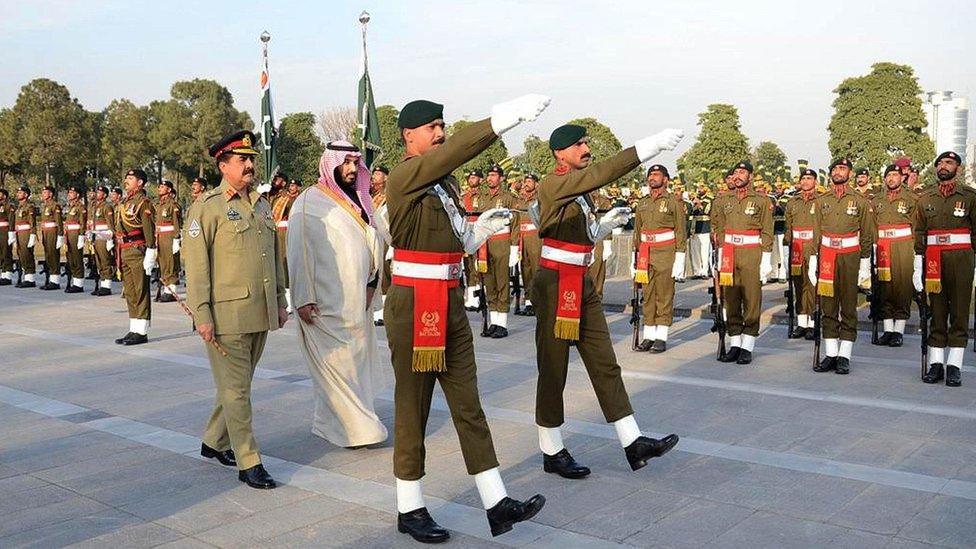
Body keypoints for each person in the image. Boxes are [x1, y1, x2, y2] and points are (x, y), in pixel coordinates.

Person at [385, 97, 549, 543]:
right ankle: (409, 507)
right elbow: (456, 152)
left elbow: (452, 239)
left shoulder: (444, 184)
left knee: (468, 405)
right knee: (412, 408)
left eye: (443, 126)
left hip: (451, 300)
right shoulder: (407, 175)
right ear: (409, 135)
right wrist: (500, 120)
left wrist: (478, 232)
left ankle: (496, 502)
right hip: (416, 303)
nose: (440, 133)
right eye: (433, 127)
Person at [534, 122, 682, 481]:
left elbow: (574, 231)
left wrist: (599, 228)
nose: (587, 148)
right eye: (579, 144)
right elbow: (603, 172)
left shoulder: (580, 190)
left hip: (580, 281)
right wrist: (647, 146)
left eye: (587, 142)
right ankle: (551, 448)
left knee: (605, 363)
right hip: (555, 283)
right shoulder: (554, 183)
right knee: (553, 370)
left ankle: (632, 440)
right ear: (560, 153)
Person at [184, 130, 288, 489]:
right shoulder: (207, 208)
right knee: (237, 390)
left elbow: (273, 257)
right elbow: (196, 267)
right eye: (241, 159)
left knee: (237, 385)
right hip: (226, 315)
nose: (249, 165)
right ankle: (249, 460)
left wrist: (279, 300)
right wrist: (203, 314)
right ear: (222, 164)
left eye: (251, 159)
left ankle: (214, 441)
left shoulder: (260, 203)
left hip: (259, 311)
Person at [288, 141, 388, 448]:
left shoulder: (360, 199)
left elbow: (375, 242)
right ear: (330, 164)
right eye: (344, 162)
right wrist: (302, 297)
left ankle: (328, 423)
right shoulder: (310, 202)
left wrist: (373, 283)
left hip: (358, 302)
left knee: (352, 367)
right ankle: (359, 430)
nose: (350, 169)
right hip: (325, 302)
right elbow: (298, 251)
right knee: (335, 367)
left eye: (355, 163)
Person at [808, 158, 874, 375]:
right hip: (826, 255)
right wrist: (812, 259)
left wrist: (865, 263)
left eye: (842, 168)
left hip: (849, 256)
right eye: (835, 168)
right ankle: (831, 353)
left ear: (850, 173)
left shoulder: (860, 201)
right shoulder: (821, 200)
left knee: (848, 306)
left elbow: (866, 234)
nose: (838, 172)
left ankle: (844, 355)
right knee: (828, 306)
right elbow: (815, 232)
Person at [916, 151, 974, 386]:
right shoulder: (926, 197)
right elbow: (919, 231)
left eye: (948, 163)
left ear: (958, 169)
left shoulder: (970, 197)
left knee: (959, 312)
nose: (943, 166)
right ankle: (936, 363)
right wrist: (917, 262)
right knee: (937, 312)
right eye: (940, 163)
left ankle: (954, 366)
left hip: (961, 259)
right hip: (933, 260)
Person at [712, 161, 774, 365]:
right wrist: (720, 251)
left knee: (751, 300)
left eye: (742, 172)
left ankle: (747, 345)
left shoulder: (761, 201)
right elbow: (718, 227)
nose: (738, 175)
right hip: (729, 252)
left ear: (751, 176)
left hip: (751, 253)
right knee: (730, 299)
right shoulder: (722, 200)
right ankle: (735, 344)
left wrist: (765, 258)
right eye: (736, 172)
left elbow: (766, 230)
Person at [632, 164, 687, 353]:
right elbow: (637, 231)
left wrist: (680, 256)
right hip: (646, 252)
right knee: (647, 295)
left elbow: (681, 230)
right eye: (650, 175)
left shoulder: (674, 202)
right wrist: (635, 255)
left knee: (663, 294)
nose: (652, 178)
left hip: (665, 251)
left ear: (665, 180)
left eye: (656, 175)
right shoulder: (643, 202)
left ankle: (661, 337)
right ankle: (648, 335)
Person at [871, 164, 920, 347]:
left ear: (902, 178)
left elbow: (916, 227)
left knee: (902, 287)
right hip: (883, 246)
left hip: (903, 246)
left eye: (895, 175)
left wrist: (916, 252)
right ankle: (887, 329)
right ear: (884, 179)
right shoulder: (877, 200)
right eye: (888, 175)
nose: (891, 178)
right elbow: (872, 226)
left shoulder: (912, 199)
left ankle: (898, 330)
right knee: (885, 287)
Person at [114, 169, 156, 345]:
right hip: (124, 249)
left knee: (140, 290)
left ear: (140, 183)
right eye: (126, 178)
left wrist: (151, 251)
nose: (126, 181)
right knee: (130, 292)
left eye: (130, 178)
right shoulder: (125, 201)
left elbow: (148, 229)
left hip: (137, 248)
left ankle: (142, 331)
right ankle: (134, 328)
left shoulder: (143, 202)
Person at [481, 163, 519, 337]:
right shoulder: (482, 198)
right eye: (488, 175)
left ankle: (502, 323)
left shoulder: (509, 198)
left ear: (501, 178)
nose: (490, 178)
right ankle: (494, 322)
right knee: (489, 282)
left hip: (502, 242)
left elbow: (516, 223)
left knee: (502, 282)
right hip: (485, 243)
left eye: (494, 175)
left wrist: (514, 247)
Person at [783, 169, 819, 339]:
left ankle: (813, 322)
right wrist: (786, 245)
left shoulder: (820, 200)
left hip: (813, 247)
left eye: (809, 178)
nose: (805, 181)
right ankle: (802, 322)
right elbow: (788, 226)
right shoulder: (793, 202)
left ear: (815, 182)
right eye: (803, 178)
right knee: (799, 285)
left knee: (813, 285)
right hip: (796, 248)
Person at [271, 174, 299, 313]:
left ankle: (289, 299)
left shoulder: (293, 199)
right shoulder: (278, 196)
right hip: (277, 230)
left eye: (294, 185)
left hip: (286, 230)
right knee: (279, 262)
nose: (291, 187)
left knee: (285, 262)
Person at [514, 174, 541, 316]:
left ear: (536, 184)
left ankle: (538, 301)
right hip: (522, 238)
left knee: (537, 269)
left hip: (535, 237)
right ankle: (529, 301)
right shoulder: (520, 198)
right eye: (525, 181)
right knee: (525, 270)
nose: (526, 184)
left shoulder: (540, 198)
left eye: (530, 181)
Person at [461, 169, 487, 310]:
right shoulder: (464, 196)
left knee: (480, 264)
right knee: (469, 265)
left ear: (481, 180)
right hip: (467, 231)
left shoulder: (484, 196)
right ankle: (471, 297)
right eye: (470, 178)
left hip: (480, 231)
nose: (471, 180)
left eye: (475, 177)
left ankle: (480, 295)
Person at [371, 167, 392, 326]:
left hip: (386, 236)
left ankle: (384, 312)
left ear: (386, 177)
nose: (374, 176)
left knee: (385, 272)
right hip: (373, 236)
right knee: (375, 271)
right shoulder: (373, 196)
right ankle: (377, 310)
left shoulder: (390, 195)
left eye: (378, 174)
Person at [155, 180, 182, 302]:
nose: (160, 188)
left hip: (169, 237)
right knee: (163, 263)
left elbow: (176, 224)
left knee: (170, 263)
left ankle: (171, 291)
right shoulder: (158, 205)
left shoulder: (173, 206)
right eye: (159, 186)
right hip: (160, 237)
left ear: (169, 190)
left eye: (163, 187)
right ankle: (166, 289)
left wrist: (176, 239)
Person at [88, 185, 115, 296]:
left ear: (104, 195)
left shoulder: (107, 207)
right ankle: (102, 283)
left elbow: (110, 224)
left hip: (103, 237)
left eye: (98, 193)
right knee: (98, 261)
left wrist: (110, 239)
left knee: (105, 261)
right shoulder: (94, 206)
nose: (96, 194)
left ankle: (106, 286)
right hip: (95, 237)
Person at [38, 185, 63, 290]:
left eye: (45, 192)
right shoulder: (45, 206)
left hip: (53, 232)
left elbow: (59, 222)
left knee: (53, 256)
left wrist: (60, 235)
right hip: (46, 233)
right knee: (48, 256)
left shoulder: (55, 206)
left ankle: (55, 281)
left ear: (51, 194)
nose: (43, 194)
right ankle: (50, 279)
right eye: (43, 193)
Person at [62, 185, 87, 293]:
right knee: (71, 258)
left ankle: (79, 284)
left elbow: (82, 223)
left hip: (76, 235)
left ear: (77, 195)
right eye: (69, 193)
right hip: (69, 235)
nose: (69, 194)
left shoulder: (80, 208)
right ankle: (75, 281)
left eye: (72, 193)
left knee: (77, 258)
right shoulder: (70, 207)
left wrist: (81, 236)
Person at [14, 186, 37, 288]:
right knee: (21, 255)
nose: (18, 194)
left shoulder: (29, 207)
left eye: (20, 193)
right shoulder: (19, 207)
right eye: (18, 193)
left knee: (27, 254)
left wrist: (32, 235)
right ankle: (26, 277)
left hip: (26, 233)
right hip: (19, 233)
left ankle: (30, 279)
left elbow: (32, 222)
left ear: (26, 195)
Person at [0, 189, 12, 285]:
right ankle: (3, 275)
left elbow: (11, 220)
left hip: (5, 231)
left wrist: (11, 232)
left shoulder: (9, 206)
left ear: (4, 196)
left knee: (6, 252)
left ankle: (7, 276)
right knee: (0, 254)